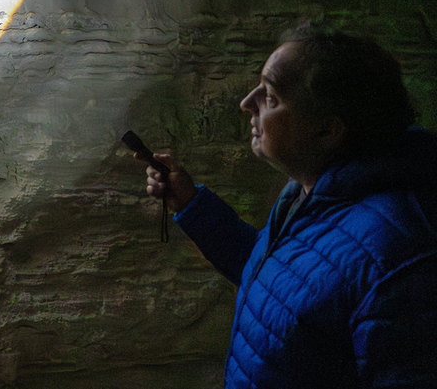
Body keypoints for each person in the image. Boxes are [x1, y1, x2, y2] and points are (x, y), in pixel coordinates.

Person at [140, 27, 437, 388]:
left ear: (328, 130)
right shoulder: (312, 194)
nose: (247, 103)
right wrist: (191, 203)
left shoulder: (394, 258)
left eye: (271, 95)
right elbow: (285, 282)